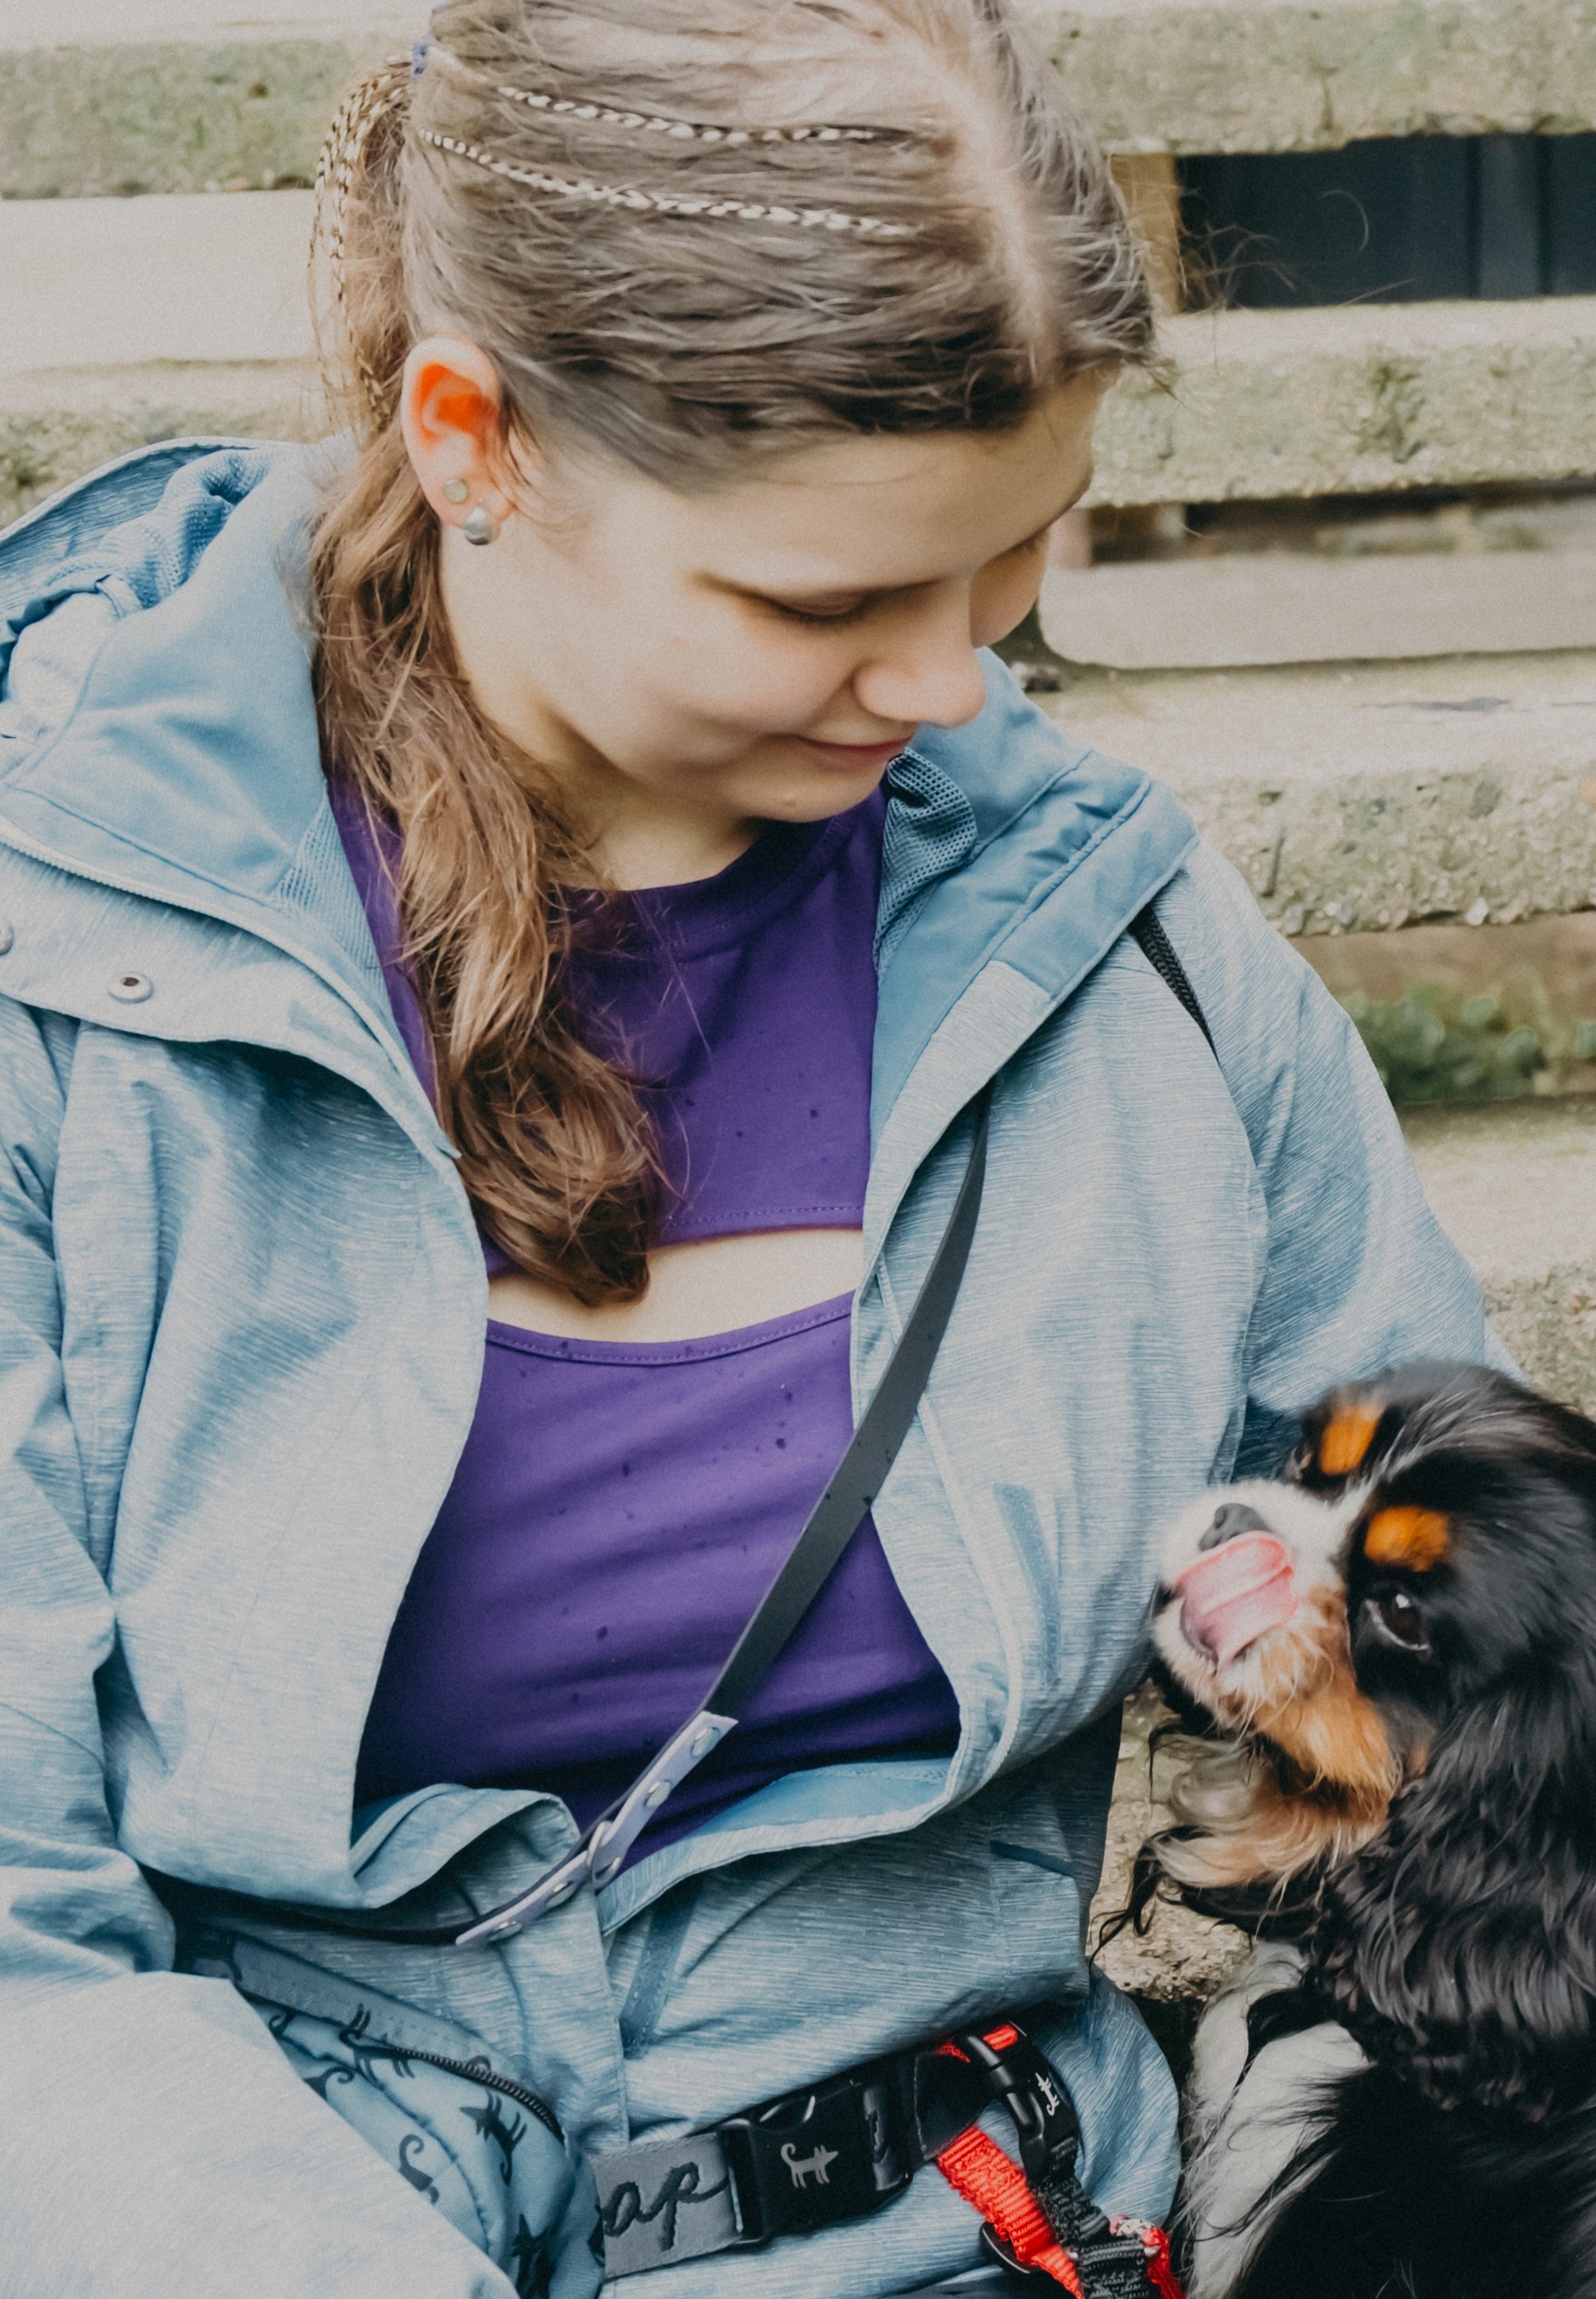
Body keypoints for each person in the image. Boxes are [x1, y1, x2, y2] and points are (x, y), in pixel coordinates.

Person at [0, 2, 1492, 2293]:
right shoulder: (64, 964)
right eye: (823, 602)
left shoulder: (1124, 947)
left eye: (1012, 565)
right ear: (477, 439)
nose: (949, 686)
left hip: (975, 2226)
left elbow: (1467, 1658)